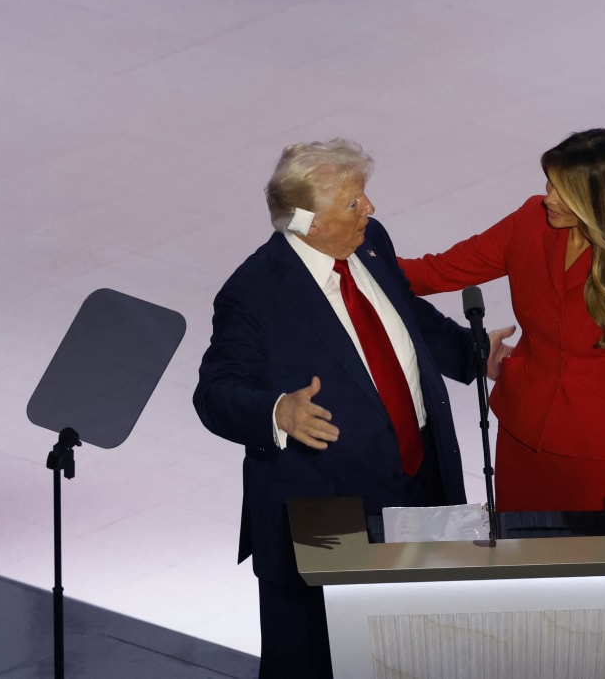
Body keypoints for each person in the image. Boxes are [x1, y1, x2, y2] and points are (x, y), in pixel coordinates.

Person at [193, 138, 487, 678]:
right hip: (327, 514)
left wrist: (475, 354)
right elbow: (214, 392)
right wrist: (278, 411)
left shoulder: (369, 241)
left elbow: (402, 312)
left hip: (424, 486)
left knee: (425, 648)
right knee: (321, 661)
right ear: (306, 221)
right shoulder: (253, 292)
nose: (369, 211)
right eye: (353, 203)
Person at [398, 128, 605, 513]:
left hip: (591, 457)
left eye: (563, 191)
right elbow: (438, 271)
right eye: (550, 184)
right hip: (519, 435)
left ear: (598, 200)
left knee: (585, 569)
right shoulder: (530, 221)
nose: (548, 198)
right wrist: (357, 261)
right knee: (519, 561)